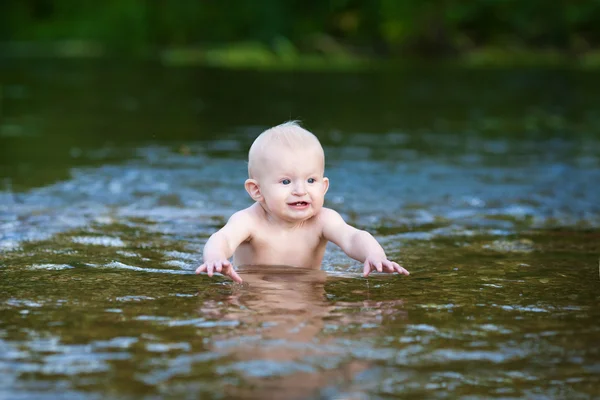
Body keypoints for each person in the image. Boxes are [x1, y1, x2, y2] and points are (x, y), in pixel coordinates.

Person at [195, 121, 410, 283]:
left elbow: (353, 238)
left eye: (311, 180)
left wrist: (374, 255)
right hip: (255, 294)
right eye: (286, 181)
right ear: (257, 190)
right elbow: (223, 238)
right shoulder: (249, 221)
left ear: (324, 186)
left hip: (308, 291)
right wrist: (216, 257)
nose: (301, 190)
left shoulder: (323, 220)